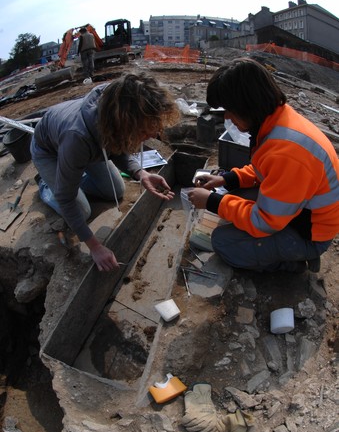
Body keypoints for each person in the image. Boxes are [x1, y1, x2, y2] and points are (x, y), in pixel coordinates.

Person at [188, 57, 339, 273]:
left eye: (230, 109)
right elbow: (266, 170)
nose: (228, 117)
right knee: (234, 193)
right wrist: (226, 179)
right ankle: (285, 251)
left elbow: (264, 222)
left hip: (310, 235)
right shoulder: (276, 120)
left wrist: (213, 202)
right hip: (300, 213)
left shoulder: (288, 150)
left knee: (223, 242)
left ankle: (293, 263)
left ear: (248, 104)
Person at [30, 72, 180, 271]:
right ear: (126, 123)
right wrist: (95, 247)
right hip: (49, 151)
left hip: (86, 150)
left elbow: (118, 148)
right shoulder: (77, 138)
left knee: (115, 190)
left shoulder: (116, 107)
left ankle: (69, 175)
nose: (153, 135)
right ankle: (46, 184)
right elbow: (66, 199)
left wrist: (140, 173)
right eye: (146, 131)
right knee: (81, 211)